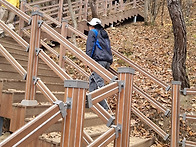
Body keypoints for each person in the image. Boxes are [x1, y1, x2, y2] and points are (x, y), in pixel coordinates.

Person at [86, 18, 113, 111]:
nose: (89, 27)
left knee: (99, 82)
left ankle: (105, 109)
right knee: (93, 80)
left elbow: (90, 46)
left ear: (92, 26)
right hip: (107, 61)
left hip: (99, 60)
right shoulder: (104, 34)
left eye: (89, 25)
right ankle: (91, 103)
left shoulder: (93, 32)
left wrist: (87, 59)